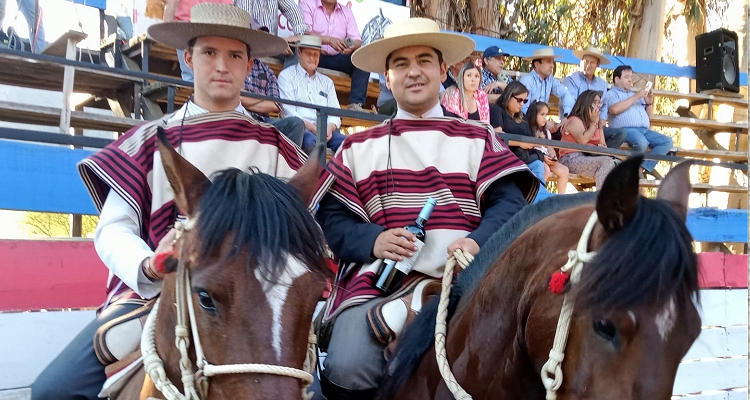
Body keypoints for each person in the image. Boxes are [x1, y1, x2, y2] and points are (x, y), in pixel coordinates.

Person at [30, 5, 303, 400]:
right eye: (209, 53)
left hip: (256, 306)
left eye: (235, 55)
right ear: (189, 59)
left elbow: (299, 233)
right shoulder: (147, 139)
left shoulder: (276, 147)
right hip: (155, 297)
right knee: (53, 391)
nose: (222, 66)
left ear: (249, 66)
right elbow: (113, 229)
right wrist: (149, 264)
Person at [311, 18, 539, 399]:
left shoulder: (478, 136)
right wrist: (375, 239)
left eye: (423, 60)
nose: (413, 71)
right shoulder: (356, 147)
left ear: (443, 71)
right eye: (400, 63)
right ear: (387, 77)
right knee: (347, 362)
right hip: (378, 286)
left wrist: (476, 242)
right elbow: (332, 220)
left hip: (469, 285)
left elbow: (510, 204)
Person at [278, 35, 346, 154]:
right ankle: (316, 173)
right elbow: (288, 111)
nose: (312, 58)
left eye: (316, 55)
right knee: (309, 142)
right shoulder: (286, 76)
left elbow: (335, 112)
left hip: (325, 132)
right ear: (299, 52)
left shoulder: (327, 82)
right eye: (308, 53)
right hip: (302, 130)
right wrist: (312, 128)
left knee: (349, 144)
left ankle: (333, 172)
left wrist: (329, 128)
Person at [600, 65, 673, 177]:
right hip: (625, 129)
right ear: (617, 79)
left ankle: (641, 168)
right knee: (641, 142)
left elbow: (649, 116)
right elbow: (614, 109)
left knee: (667, 141)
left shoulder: (633, 94)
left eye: (631, 77)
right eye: (626, 77)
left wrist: (649, 103)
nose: (630, 80)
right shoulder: (611, 94)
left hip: (644, 129)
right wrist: (636, 96)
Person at [299, 0, 369, 111]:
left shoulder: (346, 12)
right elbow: (305, 32)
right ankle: (300, 100)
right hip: (314, 54)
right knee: (302, 52)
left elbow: (356, 39)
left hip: (338, 56)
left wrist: (349, 45)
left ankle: (355, 104)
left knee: (362, 58)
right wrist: (329, 40)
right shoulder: (307, 4)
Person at [563, 46, 626, 149]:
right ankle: (595, 155)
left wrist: (602, 118)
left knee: (620, 134)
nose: (588, 65)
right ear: (581, 62)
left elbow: (604, 104)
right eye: (585, 61)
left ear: (598, 65)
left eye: (592, 62)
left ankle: (602, 154)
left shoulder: (602, 84)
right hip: (578, 124)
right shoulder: (572, 80)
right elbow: (570, 101)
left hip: (596, 124)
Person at [558, 90, 617, 188]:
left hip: (588, 157)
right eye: (595, 102)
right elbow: (583, 140)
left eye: (599, 103)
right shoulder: (574, 120)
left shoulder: (593, 123)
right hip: (571, 158)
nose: (598, 106)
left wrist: (599, 126)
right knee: (607, 162)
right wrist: (594, 123)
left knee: (616, 167)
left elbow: (603, 145)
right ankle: (601, 199)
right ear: (586, 103)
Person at [163, 0, 234, 81]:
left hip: (210, 26)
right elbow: (171, 4)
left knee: (197, 74)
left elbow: (227, 9)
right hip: (188, 26)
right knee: (193, 74)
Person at [242, 56, 306, 146]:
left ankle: (290, 160)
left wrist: (245, 97)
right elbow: (234, 95)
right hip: (239, 114)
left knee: (296, 123)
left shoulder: (266, 70)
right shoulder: (235, 64)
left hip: (263, 120)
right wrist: (262, 97)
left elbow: (275, 105)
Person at [518, 48, 575, 128]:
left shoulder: (550, 80)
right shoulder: (527, 81)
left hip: (539, 127)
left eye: (552, 62)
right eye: (548, 62)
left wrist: (566, 116)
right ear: (537, 64)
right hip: (525, 126)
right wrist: (544, 123)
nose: (552, 65)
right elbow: (523, 110)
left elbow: (565, 94)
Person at [527, 100, 568, 194]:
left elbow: (549, 147)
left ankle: (561, 200)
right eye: (542, 115)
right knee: (546, 170)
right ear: (534, 115)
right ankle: (539, 195)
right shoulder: (529, 130)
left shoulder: (546, 131)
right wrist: (543, 158)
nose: (545, 118)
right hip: (537, 158)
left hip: (547, 158)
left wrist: (553, 156)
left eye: (546, 115)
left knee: (564, 170)